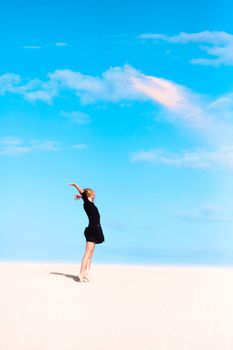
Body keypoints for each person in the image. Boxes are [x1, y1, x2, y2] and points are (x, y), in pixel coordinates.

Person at [69, 183, 105, 282]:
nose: (94, 195)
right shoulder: (87, 204)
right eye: (92, 194)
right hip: (91, 230)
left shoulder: (90, 203)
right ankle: (81, 273)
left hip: (97, 229)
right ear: (89, 195)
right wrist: (75, 185)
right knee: (87, 253)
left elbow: (84, 196)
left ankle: (87, 272)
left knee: (91, 253)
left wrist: (80, 197)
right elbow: (84, 193)